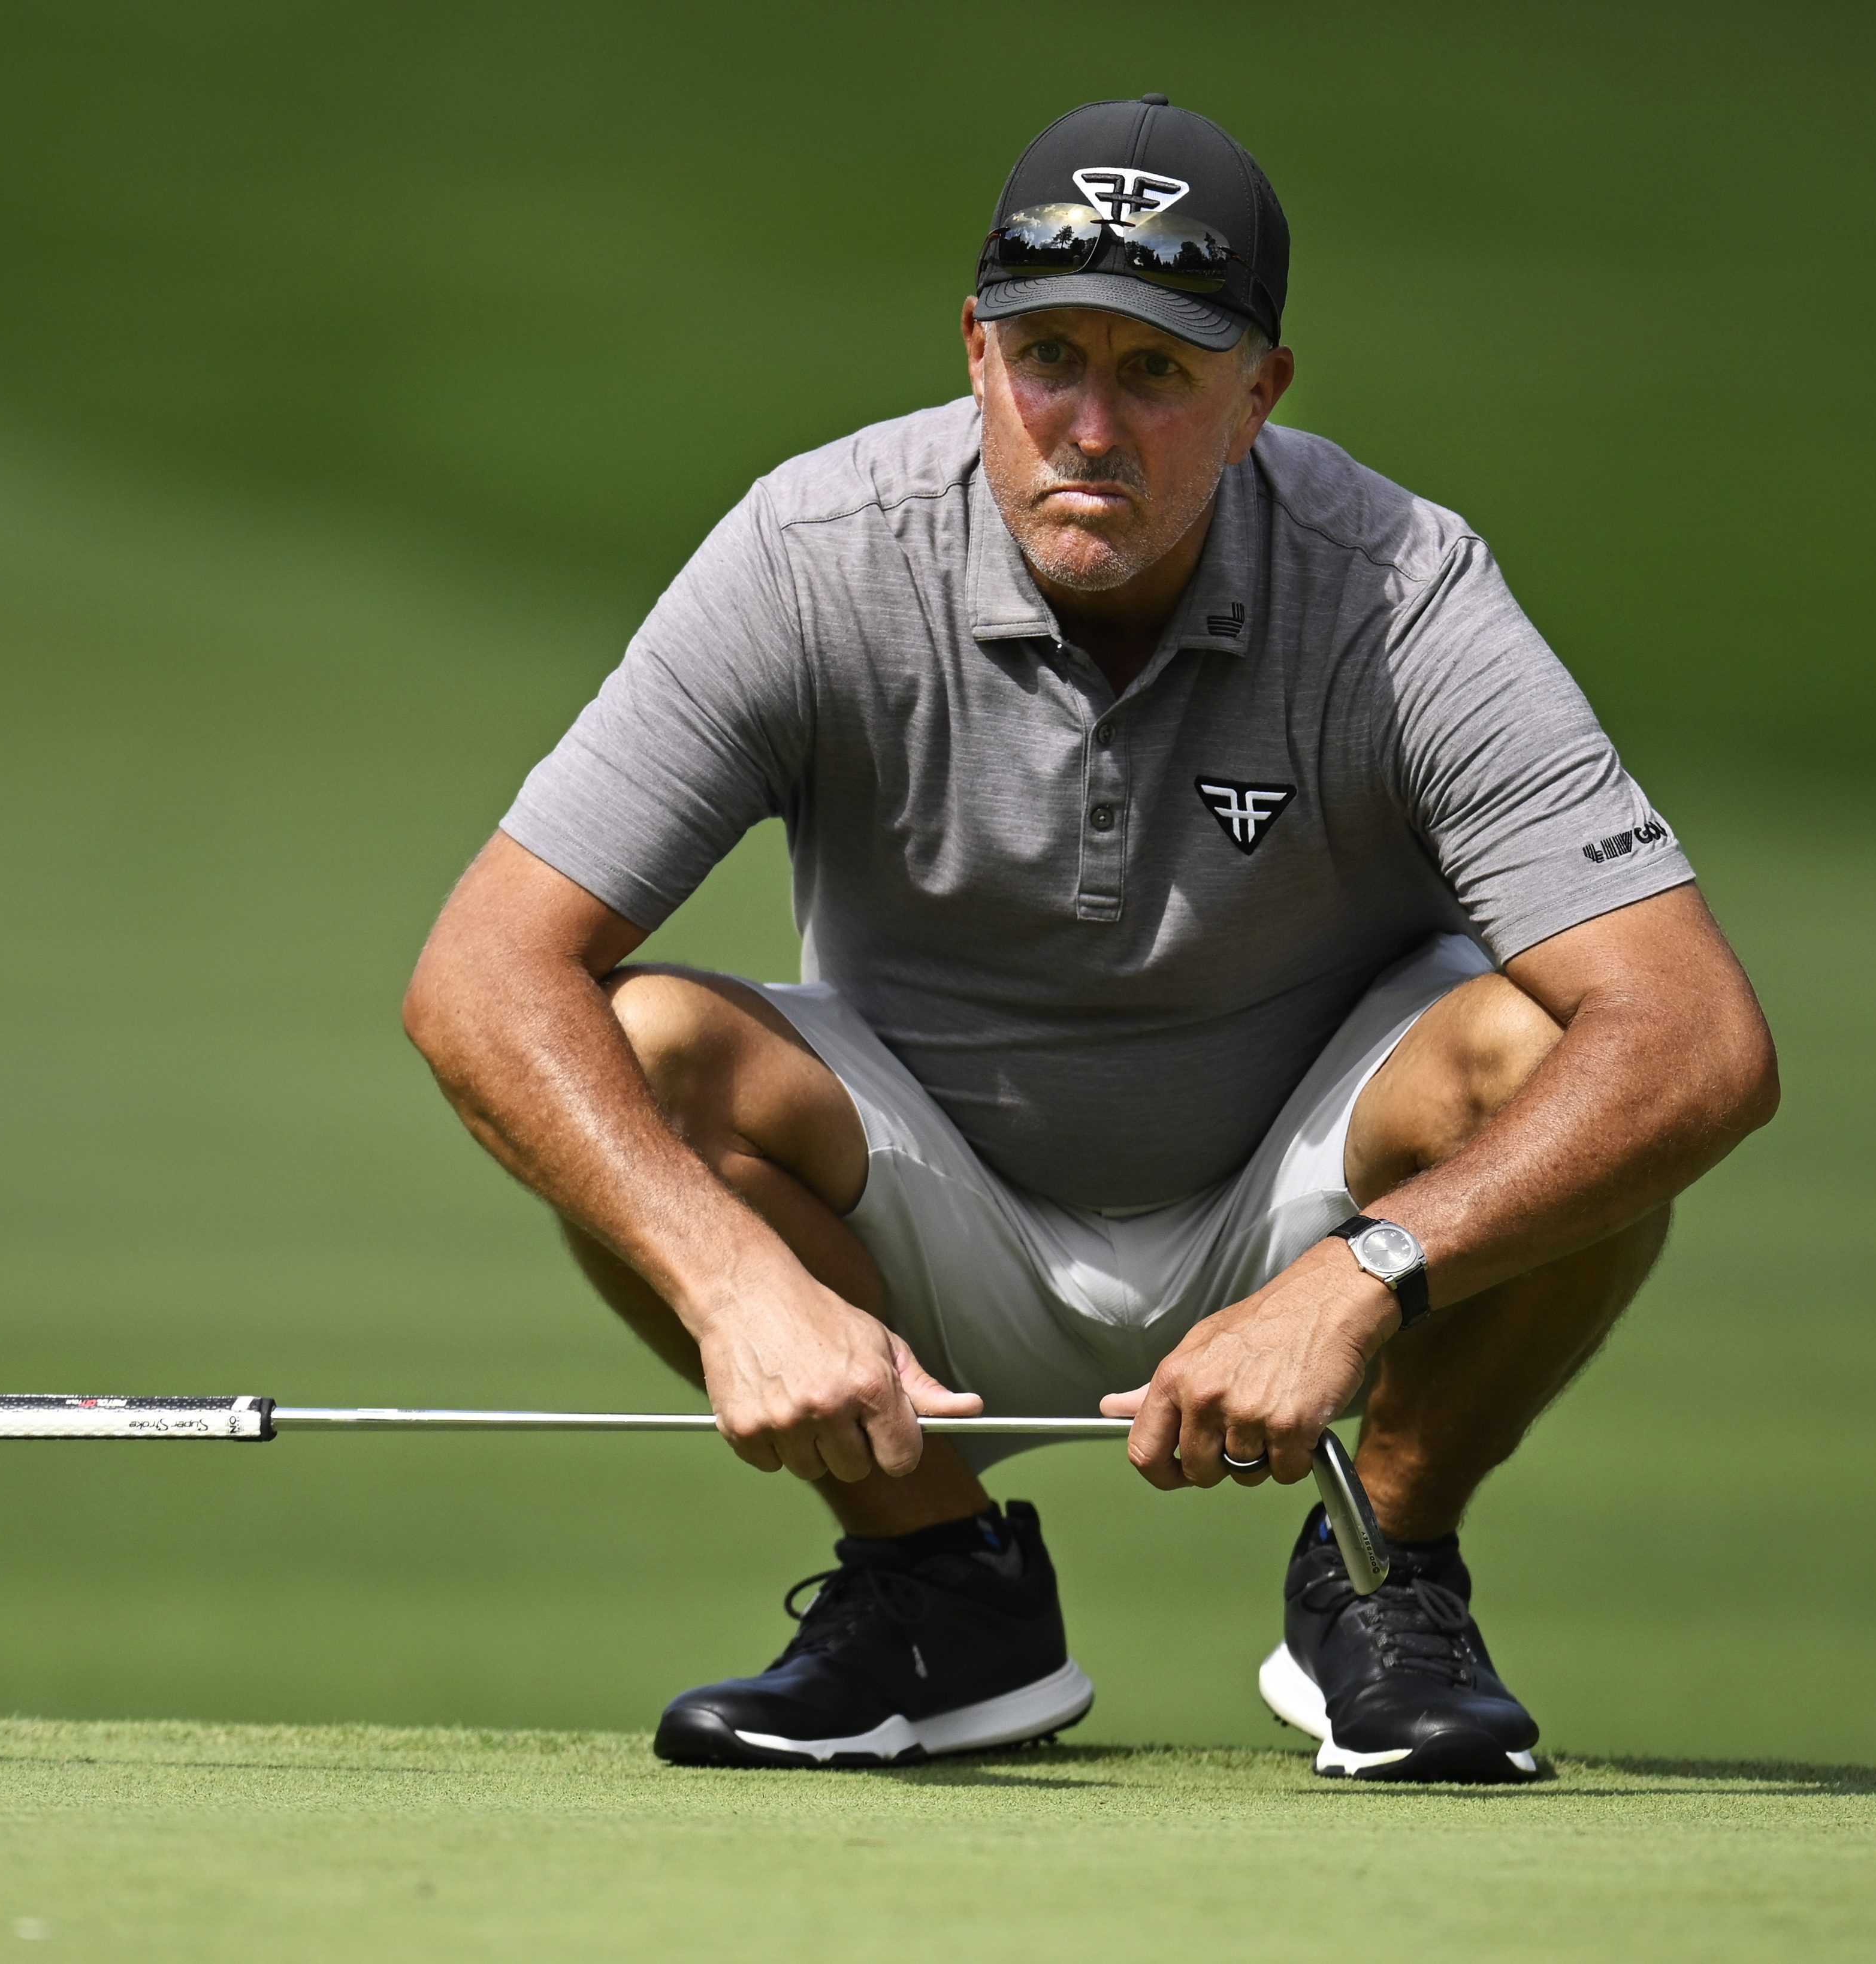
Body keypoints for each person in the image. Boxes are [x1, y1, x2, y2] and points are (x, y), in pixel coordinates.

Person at [403, 96, 1778, 1783]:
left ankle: (1384, 1575)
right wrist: (733, 1284)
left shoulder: (1397, 586)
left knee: (1557, 1055)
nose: (1090, 426)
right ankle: (936, 1590)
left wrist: (1364, 1275)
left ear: (1259, 393)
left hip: (1314, 1208)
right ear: (973, 353)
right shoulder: (813, 551)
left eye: (1157, 371)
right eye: (1048, 355)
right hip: (928, 1204)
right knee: (636, 1053)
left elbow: (1695, 1037)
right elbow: (479, 972)